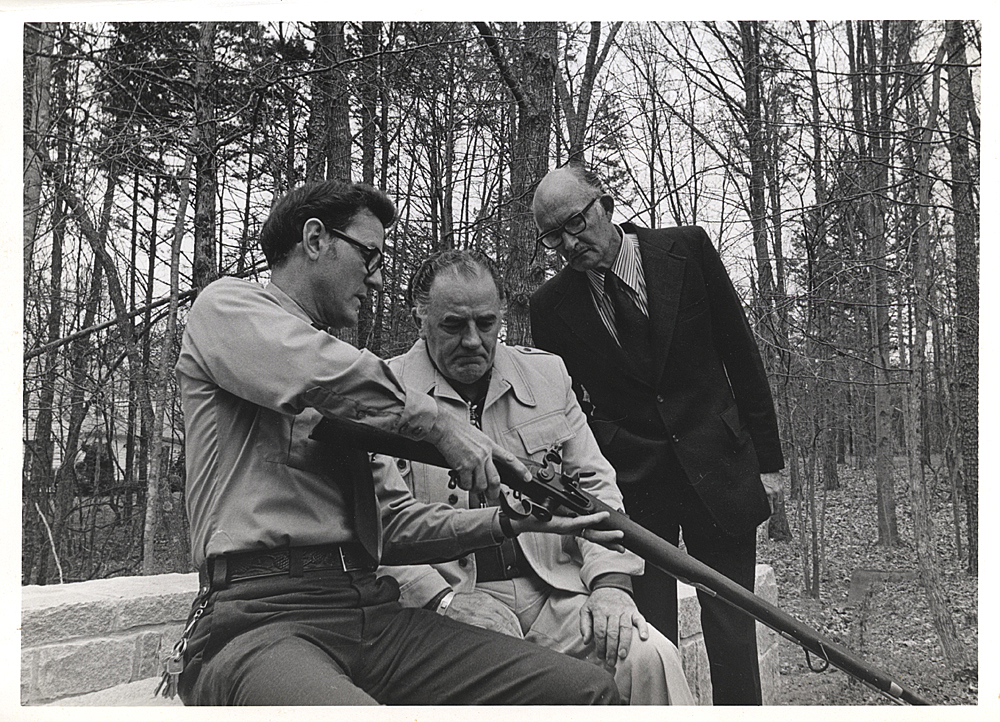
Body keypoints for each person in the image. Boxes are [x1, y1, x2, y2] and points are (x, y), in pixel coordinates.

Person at [172, 179, 625, 706]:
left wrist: (508, 522)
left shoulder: (357, 384)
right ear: (315, 240)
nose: (378, 278)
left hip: (371, 612)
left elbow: (393, 525)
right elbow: (315, 373)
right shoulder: (227, 309)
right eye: (369, 255)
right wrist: (439, 423)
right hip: (260, 619)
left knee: (584, 693)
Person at [379, 250, 695, 705]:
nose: (473, 341)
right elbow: (376, 526)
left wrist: (610, 584)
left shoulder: (545, 375)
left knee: (650, 657)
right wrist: (441, 601)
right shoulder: (386, 391)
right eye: (453, 325)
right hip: (450, 605)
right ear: (420, 316)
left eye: (486, 324)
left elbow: (593, 487)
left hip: (554, 592)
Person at [529, 164, 785, 706]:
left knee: (734, 629)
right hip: (633, 490)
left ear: (607, 204)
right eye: (554, 236)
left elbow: (739, 350)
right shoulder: (550, 306)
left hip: (720, 465)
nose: (570, 243)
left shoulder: (685, 250)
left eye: (576, 223)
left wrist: (769, 460)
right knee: (649, 637)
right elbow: (561, 404)